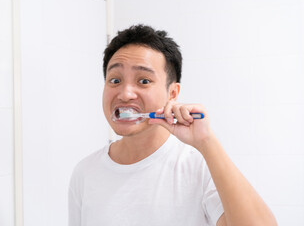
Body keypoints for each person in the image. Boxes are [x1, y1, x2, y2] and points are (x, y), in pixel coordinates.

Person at [68, 25, 277, 226]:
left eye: (143, 81)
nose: (125, 94)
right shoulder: (85, 172)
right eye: (114, 80)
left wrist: (206, 142)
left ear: (173, 93)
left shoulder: (199, 166)